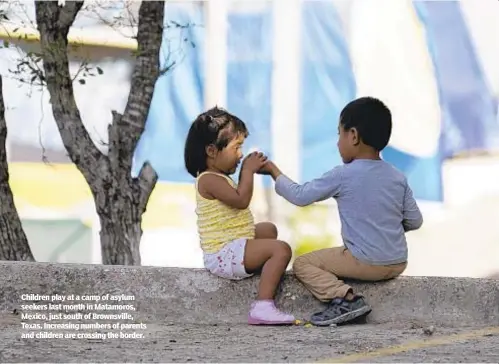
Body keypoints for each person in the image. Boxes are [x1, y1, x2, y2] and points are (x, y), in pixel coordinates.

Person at [260, 97, 423, 326]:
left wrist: (273, 171)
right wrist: (386, 225)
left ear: (353, 136)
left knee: (303, 264)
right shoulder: (397, 176)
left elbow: (300, 195)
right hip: (398, 261)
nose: (337, 143)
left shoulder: (343, 175)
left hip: (365, 262)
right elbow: (415, 221)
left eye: (339, 134)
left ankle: (346, 298)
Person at [184, 106, 295, 325]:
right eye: (237, 147)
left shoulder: (218, 176)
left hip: (233, 241)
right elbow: (241, 200)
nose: (241, 154)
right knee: (281, 249)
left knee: (269, 230)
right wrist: (248, 171)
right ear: (212, 151)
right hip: (223, 254)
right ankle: (263, 306)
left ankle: (262, 265)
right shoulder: (208, 180)